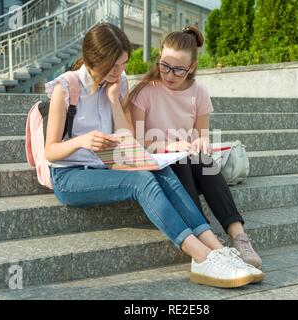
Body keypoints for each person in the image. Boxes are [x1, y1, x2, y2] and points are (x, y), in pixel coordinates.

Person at [44, 22, 263, 288]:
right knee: (140, 181)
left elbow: (126, 136)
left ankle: (219, 250)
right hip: (70, 176)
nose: (121, 71)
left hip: (106, 166)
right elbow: (51, 151)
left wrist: (114, 101)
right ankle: (202, 257)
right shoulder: (65, 88)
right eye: (115, 65)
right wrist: (82, 141)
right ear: (95, 60)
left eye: (124, 64)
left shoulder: (118, 83)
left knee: (162, 169)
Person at [127, 25, 262, 268]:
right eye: (165, 66)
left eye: (178, 70)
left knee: (203, 160)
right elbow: (136, 142)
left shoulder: (199, 92)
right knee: (181, 160)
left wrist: (200, 141)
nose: (169, 75)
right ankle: (207, 242)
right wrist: (170, 144)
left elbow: (202, 136)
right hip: (160, 164)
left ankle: (239, 236)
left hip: (192, 162)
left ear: (192, 67)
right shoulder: (145, 91)